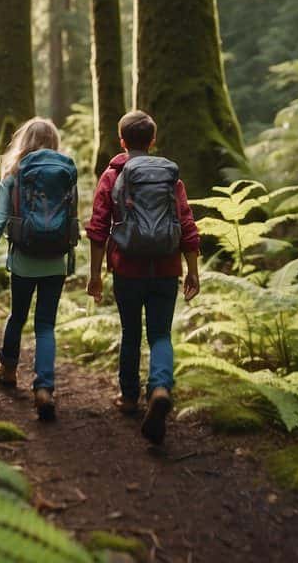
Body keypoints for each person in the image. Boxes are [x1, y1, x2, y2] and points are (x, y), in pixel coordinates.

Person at [85, 110, 200, 444]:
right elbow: (187, 225)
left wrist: (95, 275)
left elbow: (98, 228)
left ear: (122, 141)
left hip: (127, 269)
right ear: (152, 141)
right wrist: (193, 271)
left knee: (131, 332)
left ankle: (129, 397)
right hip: (166, 269)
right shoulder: (169, 177)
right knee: (161, 334)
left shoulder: (112, 176)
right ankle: (160, 388)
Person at [0, 117, 79, 420]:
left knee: (17, 316)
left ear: (24, 142)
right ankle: (44, 387)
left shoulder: (14, 176)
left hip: (22, 260)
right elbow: (72, 219)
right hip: (56, 261)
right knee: (45, 325)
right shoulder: (66, 175)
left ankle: (7, 368)